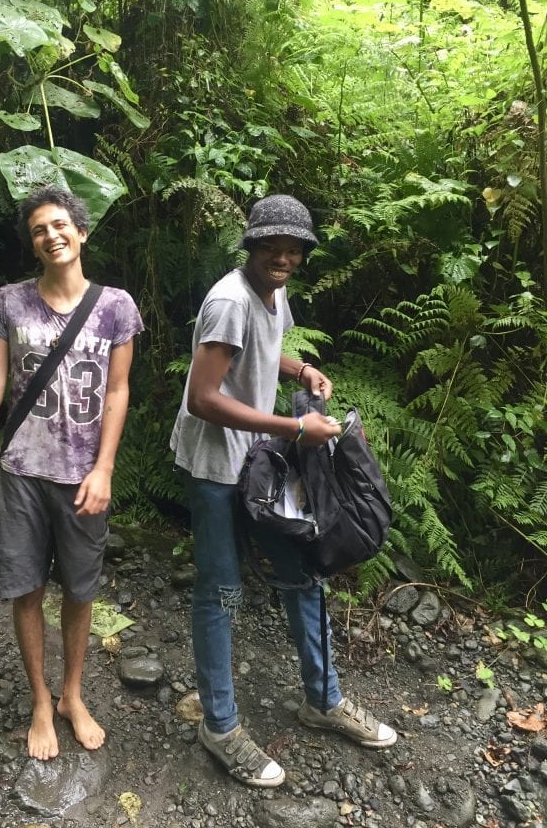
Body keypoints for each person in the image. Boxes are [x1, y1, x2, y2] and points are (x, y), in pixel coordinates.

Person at [170, 194, 396, 789]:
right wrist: (295, 426)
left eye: (294, 248)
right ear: (252, 246)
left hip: (259, 460)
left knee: (303, 571)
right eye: (273, 246)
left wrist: (299, 371)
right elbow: (202, 397)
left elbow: (265, 354)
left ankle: (323, 700)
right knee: (220, 592)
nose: (284, 256)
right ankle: (219, 726)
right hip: (219, 463)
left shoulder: (274, 293)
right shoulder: (227, 300)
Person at [0, 188, 143, 761]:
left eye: (60, 225)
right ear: (33, 244)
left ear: (81, 234)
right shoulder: (10, 303)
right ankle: (40, 699)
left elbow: (118, 390)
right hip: (19, 475)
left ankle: (72, 696)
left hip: (84, 478)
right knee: (26, 590)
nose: (51, 235)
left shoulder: (116, 307)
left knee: (80, 593)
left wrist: (105, 468)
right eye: (39, 229)